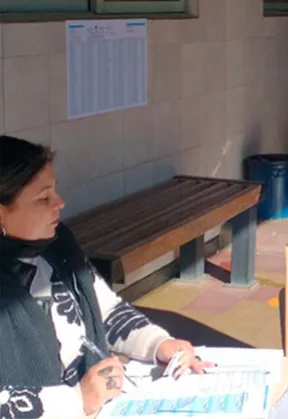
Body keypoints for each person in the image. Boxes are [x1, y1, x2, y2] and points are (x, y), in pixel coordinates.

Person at [0, 135, 211, 417]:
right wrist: (77, 400)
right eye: (43, 198)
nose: (60, 203)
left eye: (55, 190)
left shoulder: (58, 248)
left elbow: (106, 311)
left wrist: (158, 344)